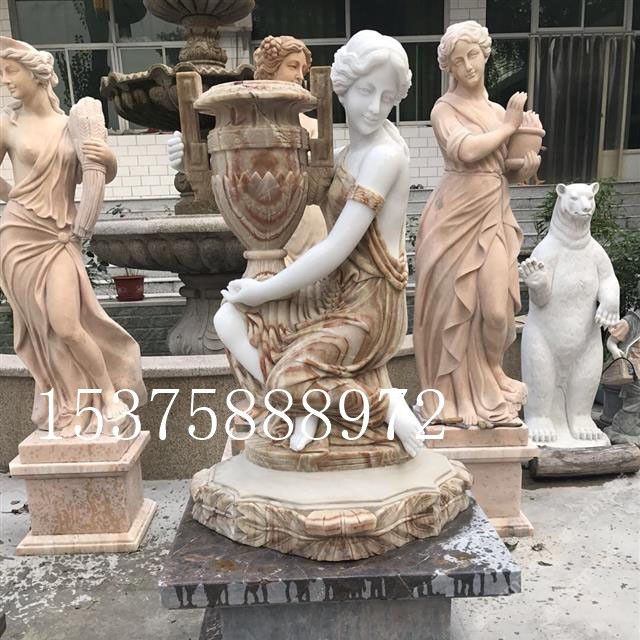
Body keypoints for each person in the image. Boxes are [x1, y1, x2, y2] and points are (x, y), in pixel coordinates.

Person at [217, 30, 424, 456]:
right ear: (342, 87)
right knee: (228, 319)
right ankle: (309, 407)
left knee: (287, 376)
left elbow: (336, 249)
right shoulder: (345, 154)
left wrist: (265, 290)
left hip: (368, 306)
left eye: (387, 97)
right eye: (365, 91)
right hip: (333, 293)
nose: (374, 106)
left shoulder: (385, 156)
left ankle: (383, 404)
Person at [0, 37, 146, 437]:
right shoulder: (7, 125)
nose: (6, 81)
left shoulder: (73, 125)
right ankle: (70, 407)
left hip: (61, 236)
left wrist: (109, 159)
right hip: (19, 237)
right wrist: (15, 196)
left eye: (11, 72)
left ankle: (108, 396)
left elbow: (94, 172)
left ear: (37, 74)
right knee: (46, 331)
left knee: (67, 324)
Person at [413, 20, 541, 427]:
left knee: (497, 311)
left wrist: (523, 169)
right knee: (455, 310)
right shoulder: (444, 109)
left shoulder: (497, 111)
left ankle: (493, 373)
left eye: (472, 55)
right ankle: (455, 396)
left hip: (493, 213)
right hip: (453, 217)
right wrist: (510, 126)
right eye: (457, 60)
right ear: (448, 67)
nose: (467, 66)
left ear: (485, 54)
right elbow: (466, 151)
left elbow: (500, 167)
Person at [167, 34, 327, 263]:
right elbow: (227, 182)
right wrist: (188, 164)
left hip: (309, 229)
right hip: (262, 228)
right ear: (270, 68)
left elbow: (324, 179)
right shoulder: (236, 129)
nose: (300, 76)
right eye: (293, 66)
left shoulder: (312, 127)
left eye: (303, 69)